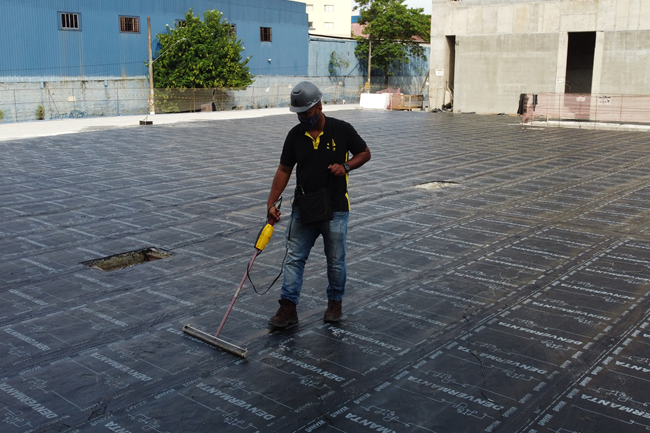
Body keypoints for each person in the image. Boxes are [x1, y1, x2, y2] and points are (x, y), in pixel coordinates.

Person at [266, 81, 371, 328]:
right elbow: (284, 170)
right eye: (299, 114)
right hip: (303, 208)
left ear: (319, 106)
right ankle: (288, 307)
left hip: (335, 209)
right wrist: (271, 202)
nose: (303, 118)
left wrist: (345, 166)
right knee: (294, 258)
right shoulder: (295, 136)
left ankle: (335, 302)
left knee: (335, 261)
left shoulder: (341, 130)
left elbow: (365, 153)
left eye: (307, 113)